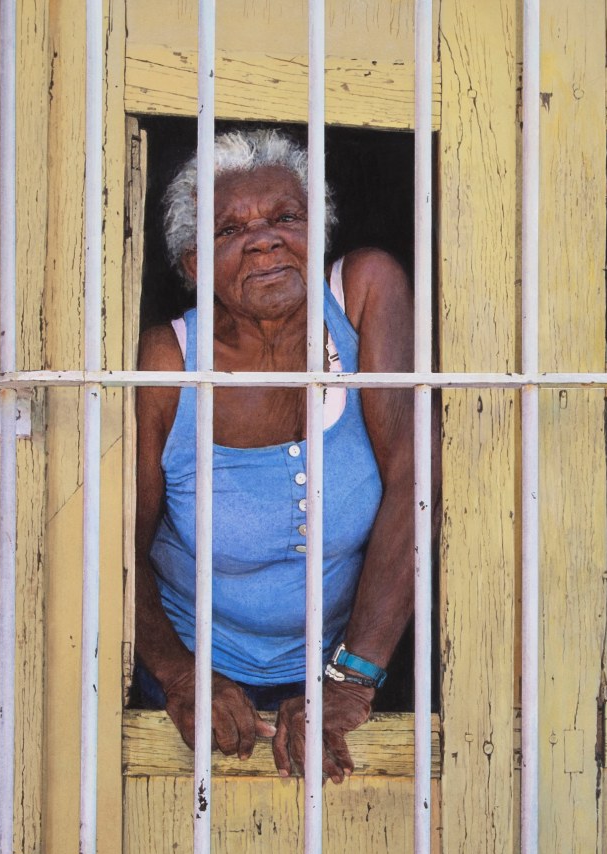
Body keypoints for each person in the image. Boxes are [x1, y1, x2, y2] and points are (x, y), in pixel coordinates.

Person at [135, 128, 427, 784]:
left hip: (351, 663)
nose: (264, 239)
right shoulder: (169, 363)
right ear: (194, 266)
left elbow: (416, 479)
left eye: (286, 218)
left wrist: (350, 680)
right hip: (191, 673)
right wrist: (181, 675)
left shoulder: (364, 292)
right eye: (229, 229)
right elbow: (116, 546)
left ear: (318, 232)